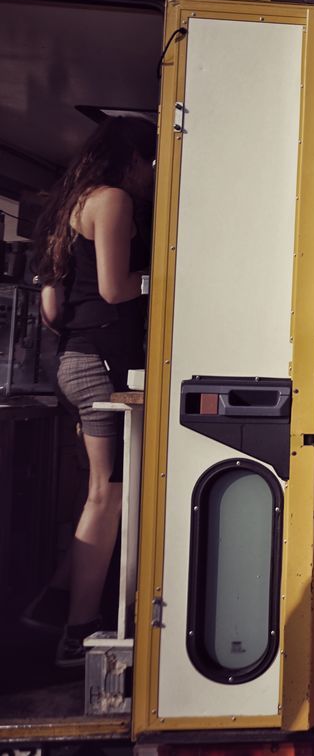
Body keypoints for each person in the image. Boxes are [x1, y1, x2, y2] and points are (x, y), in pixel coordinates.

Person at [24, 116, 156, 667]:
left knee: (100, 494)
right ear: (131, 159)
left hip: (74, 361)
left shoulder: (69, 205)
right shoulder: (115, 202)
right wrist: (165, 278)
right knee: (110, 493)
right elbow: (113, 286)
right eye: (150, 163)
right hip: (104, 364)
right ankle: (77, 634)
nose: (152, 174)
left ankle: (54, 604)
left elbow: (53, 309)